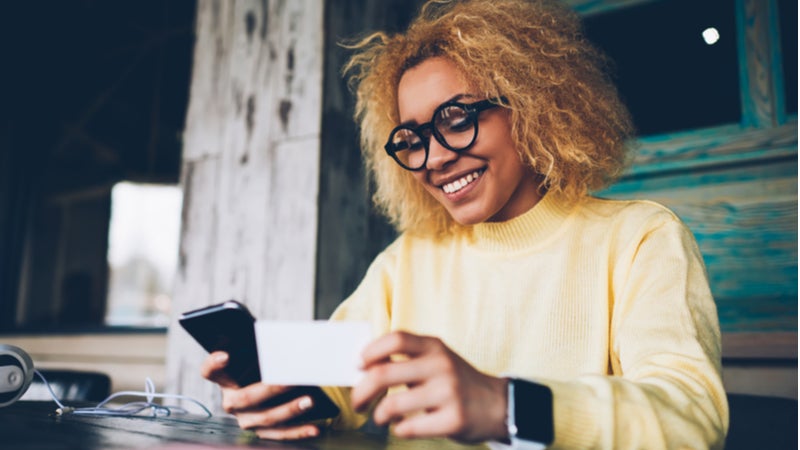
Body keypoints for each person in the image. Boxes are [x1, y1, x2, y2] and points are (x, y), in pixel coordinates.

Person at [201, 0, 729, 448]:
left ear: (530, 106)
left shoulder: (639, 239)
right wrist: (281, 396)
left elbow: (691, 417)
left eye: (456, 119)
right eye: (411, 139)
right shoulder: (407, 260)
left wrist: (507, 404)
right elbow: (337, 389)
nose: (432, 159)